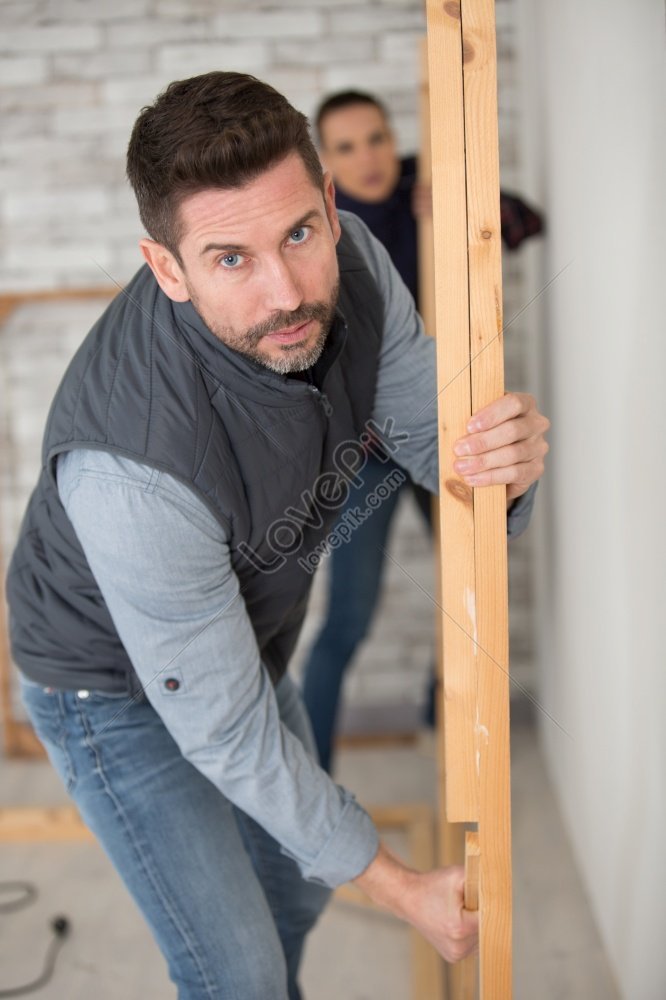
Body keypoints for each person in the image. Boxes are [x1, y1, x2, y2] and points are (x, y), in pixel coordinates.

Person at [6, 72, 549, 1000]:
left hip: (241, 643)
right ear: (166, 266)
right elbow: (226, 730)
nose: (288, 291)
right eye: (230, 258)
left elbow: (438, 453)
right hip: (105, 691)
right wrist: (400, 885)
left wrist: (504, 472)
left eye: (298, 232)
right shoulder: (130, 467)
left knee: (296, 899)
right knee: (239, 971)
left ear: (331, 206)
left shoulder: (358, 269)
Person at [301, 90, 544, 773]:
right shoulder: (321, 231)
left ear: (392, 137)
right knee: (344, 623)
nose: (367, 158)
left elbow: (529, 221)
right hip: (369, 454)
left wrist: (469, 207)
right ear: (326, 163)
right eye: (346, 147)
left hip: (448, 436)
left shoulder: (420, 185)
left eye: (376, 138)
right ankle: (311, 778)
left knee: (470, 600)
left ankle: (451, 739)